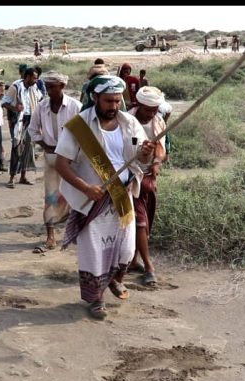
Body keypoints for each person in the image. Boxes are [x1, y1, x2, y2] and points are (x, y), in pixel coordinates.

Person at [54, 75, 155, 320]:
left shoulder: (129, 123)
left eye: (118, 101)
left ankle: (115, 280)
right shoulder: (78, 127)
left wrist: (144, 154)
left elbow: (141, 160)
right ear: (95, 98)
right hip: (93, 199)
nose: (114, 106)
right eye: (109, 101)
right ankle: (96, 298)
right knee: (94, 252)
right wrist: (86, 187)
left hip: (122, 194)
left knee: (126, 250)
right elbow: (61, 164)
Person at [27, 71, 81, 253]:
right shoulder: (42, 107)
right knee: (50, 197)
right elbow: (33, 130)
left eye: (52, 87)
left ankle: (75, 233)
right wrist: (45, 146)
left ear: (62, 86)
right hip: (51, 159)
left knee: (76, 196)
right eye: (47, 87)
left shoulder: (75, 106)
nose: (49, 90)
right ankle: (50, 237)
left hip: (73, 160)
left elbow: (85, 134)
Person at [127, 87, 168, 287]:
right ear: (139, 105)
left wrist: (157, 162)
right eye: (148, 109)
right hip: (129, 176)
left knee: (144, 220)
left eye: (154, 109)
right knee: (139, 221)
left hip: (148, 178)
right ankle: (149, 266)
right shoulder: (126, 120)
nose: (151, 113)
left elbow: (161, 150)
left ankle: (134, 260)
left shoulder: (157, 121)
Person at [2, 67, 44, 188]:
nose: (36, 80)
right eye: (34, 78)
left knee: (28, 149)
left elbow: (40, 98)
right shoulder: (15, 87)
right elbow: (4, 102)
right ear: (28, 77)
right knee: (17, 148)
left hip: (31, 120)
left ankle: (23, 176)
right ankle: (12, 177)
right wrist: (15, 109)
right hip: (19, 121)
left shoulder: (33, 87)